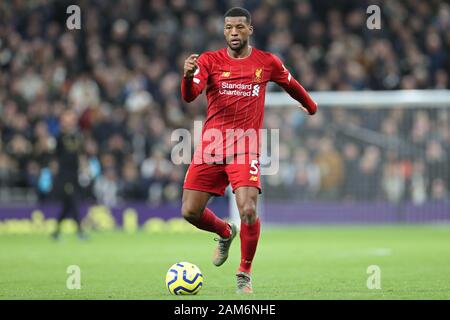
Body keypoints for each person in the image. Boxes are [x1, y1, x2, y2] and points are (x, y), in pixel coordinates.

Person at [180, 7, 317, 293]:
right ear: (224, 30)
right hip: (212, 146)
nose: (233, 32)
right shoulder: (209, 61)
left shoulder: (266, 62)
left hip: (245, 146)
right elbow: (191, 95)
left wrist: (310, 105)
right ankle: (225, 231)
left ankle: (244, 271)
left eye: (240, 27)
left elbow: (291, 84)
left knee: (249, 210)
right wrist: (187, 76)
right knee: (190, 212)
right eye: (229, 27)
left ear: (250, 29)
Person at [51, 110, 87, 240]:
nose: (70, 121)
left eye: (72, 119)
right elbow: (54, 158)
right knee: (73, 200)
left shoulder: (78, 136)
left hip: (75, 174)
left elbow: (81, 154)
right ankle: (80, 231)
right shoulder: (59, 137)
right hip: (63, 175)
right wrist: (54, 177)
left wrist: (84, 171)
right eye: (67, 119)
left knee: (68, 205)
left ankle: (56, 232)